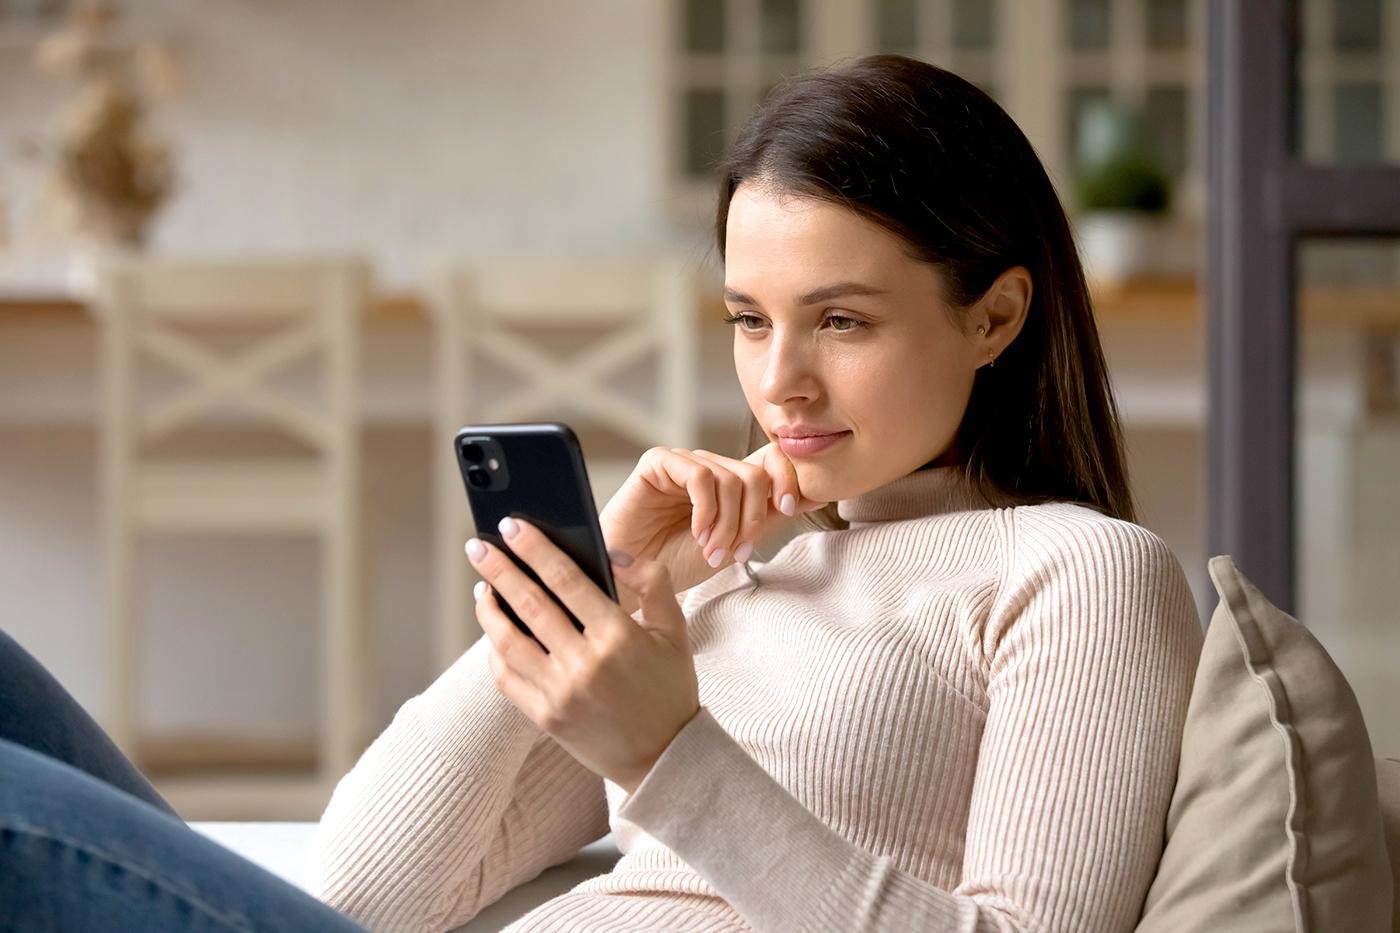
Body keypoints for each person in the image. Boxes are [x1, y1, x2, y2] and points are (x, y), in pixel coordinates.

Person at [308, 54, 1204, 932]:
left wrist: (669, 751)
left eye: (842, 320)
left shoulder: (1078, 572)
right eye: (749, 320)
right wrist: (588, 592)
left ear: (996, 317)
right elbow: (364, 895)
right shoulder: (720, 593)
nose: (780, 383)